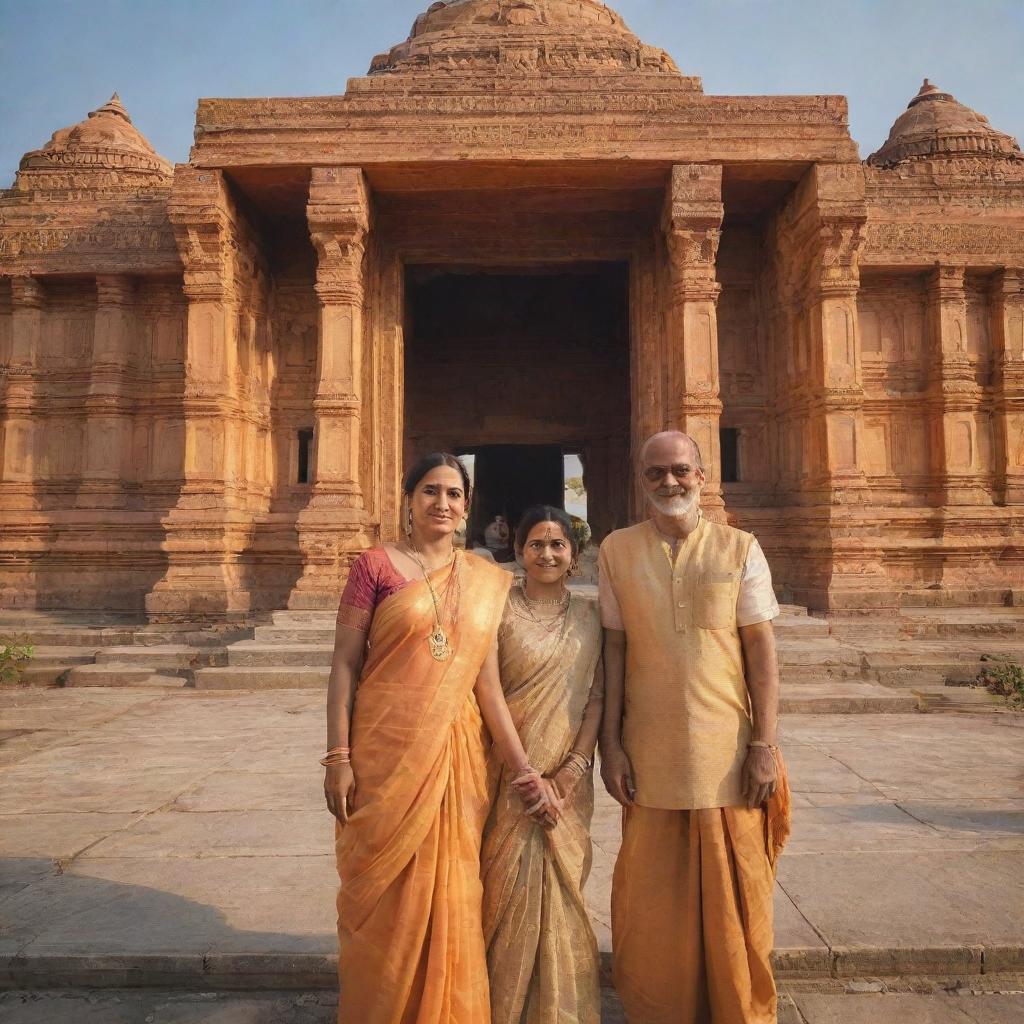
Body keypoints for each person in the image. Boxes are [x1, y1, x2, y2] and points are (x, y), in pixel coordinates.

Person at [323, 453, 562, 1024]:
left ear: (467, 506)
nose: (442, 504)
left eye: (454, 494)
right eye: (430, 491)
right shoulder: (374, 567)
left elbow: (487, 685)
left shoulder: (483, 579)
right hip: (383, 755)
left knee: (453, 891)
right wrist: (338, 756)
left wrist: (524, 768)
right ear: (408, 500)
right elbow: (344, 664)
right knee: (381, 898)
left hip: (456, 759)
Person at [599, 431, 791, 1024]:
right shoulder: (616, 550)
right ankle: (663, 1010)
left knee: (736, 893)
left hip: (726, 752)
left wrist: (765, 744)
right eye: (655, 473)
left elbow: (761, 651)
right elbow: (614, 649)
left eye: (680, 470)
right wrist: (610, 744)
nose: (668, 483)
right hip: (649, 752)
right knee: (654, 898)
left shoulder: (740, 548)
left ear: (703, 476)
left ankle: (736, 1007)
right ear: (642, 482)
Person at [481, 505, 604, 1024]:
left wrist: (572, 771)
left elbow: (598, 696)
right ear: (518, 551)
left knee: (566, 892)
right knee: (503, 894)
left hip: (568, 780)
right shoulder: (496, 611)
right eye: (536, 544)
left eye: (558, 544)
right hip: (508, 776)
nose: (547, 553)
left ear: (574, 555)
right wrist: (525, 774)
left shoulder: (592, 617)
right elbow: (486, 690)